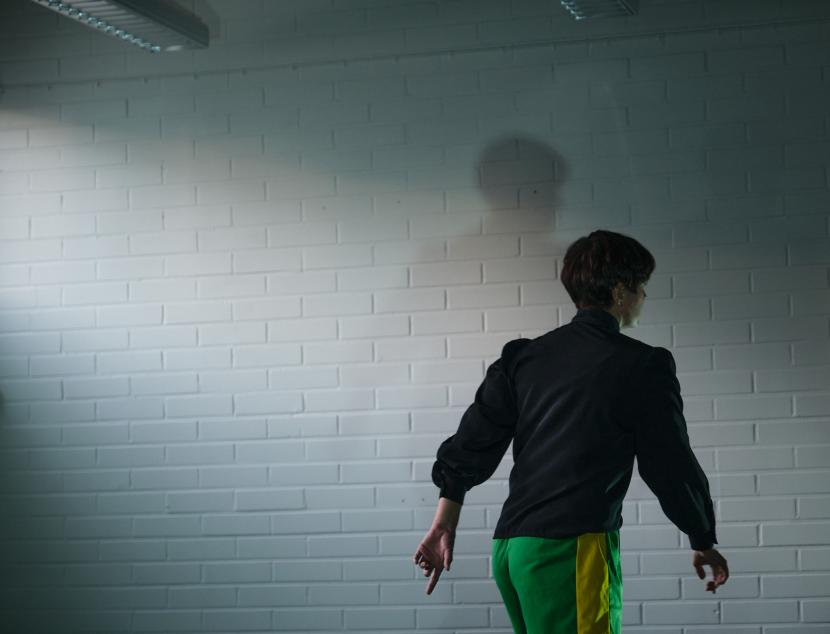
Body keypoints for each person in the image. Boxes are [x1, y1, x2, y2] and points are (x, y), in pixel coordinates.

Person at [412, 229, 729, 633]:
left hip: (513, 552)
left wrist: (444, 524)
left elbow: (472, 442)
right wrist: (701, 536)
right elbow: (669, 462)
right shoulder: (642, 365)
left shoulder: (524, 358)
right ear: (620, 291)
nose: (644, 298)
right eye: (642, 286)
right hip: (570, 550)